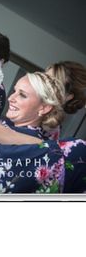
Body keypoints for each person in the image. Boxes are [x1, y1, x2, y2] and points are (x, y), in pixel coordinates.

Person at [46, 61, 86, 193]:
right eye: (43, 78)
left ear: (67, 96)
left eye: (52, 83)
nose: (43, 85)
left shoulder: (49, 128)